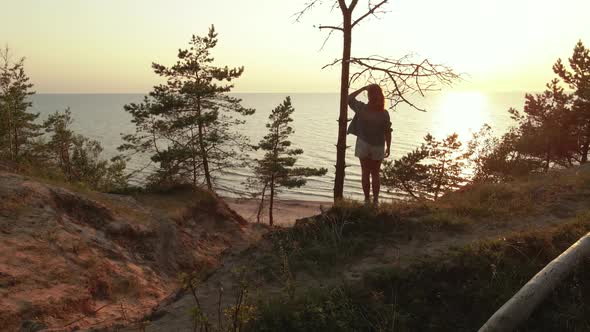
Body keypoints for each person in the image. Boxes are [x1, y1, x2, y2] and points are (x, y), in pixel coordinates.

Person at [347, 84, 392, 205]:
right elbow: (387, 131)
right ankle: (375, 201)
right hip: (378, 146)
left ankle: (367, 200)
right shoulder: (384, 113)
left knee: (365, 172)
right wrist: (389, 146)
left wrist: (362, 88)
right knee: (375, 174)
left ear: (369, 95)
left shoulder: (362, 108)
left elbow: (349, 98)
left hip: (363, 144)